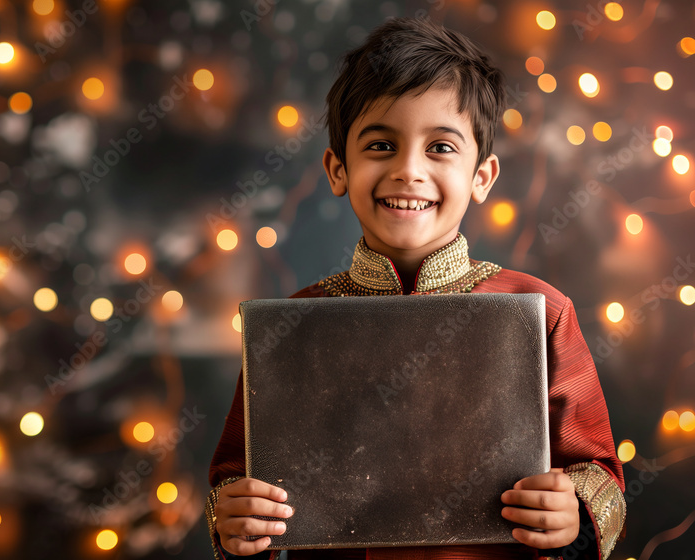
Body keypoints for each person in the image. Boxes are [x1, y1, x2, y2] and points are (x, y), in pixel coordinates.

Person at [204, 16, 626, 560]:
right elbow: (234, 482)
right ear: (338, 170)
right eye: (381, 144)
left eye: (441, 148)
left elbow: (601, 474)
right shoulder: (288, 326)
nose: (408, 170)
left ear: (483, 177)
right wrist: (234, 520)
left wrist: (574, 513)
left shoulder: (541, 311)